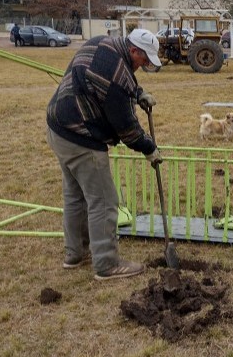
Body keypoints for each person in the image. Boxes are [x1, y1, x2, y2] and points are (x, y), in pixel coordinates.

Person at [46, 29, 163, 280]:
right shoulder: (117, 78)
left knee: (75, 196)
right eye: (144, 60)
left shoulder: (102, 42)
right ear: (133, 50)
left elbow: (113, 77)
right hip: (81, 138)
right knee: (105, 201)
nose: (144, 66)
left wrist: (137, 92)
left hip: (57, 128)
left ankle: (75, 254)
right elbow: (128, 130)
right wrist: (149, 148)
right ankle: (106, 264)